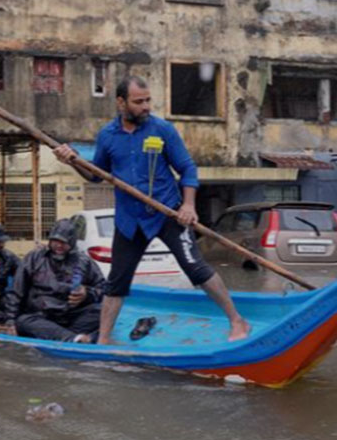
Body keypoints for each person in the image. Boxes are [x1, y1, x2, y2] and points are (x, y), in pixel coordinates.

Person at [53, 75, 250, 345]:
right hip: (129, 220)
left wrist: (189, 205)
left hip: (167, 213)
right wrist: (73, 161)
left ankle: (237, 320)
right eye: (138, 102)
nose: (145, 107)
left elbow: (187, 169)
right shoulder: (108, 136)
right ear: (121, 103)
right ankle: (105, 340)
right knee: (116, 282)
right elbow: (96, 175)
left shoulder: (162, 130)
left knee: (196, 269)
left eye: (148, 101)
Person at [3, 219, 105, 343]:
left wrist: (87, 294)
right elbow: (16, 291)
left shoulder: (84, 261)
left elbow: (104, 289)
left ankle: (65, 335)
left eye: (64, 242)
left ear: (72, 243)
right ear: (50, 240)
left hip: (71, 315)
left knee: (102, 311)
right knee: (23, 321)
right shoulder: (34, 258)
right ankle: (72, 337)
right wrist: (10, 320)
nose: (59, 245)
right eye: (55, 241)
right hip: (41, 316)